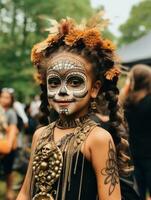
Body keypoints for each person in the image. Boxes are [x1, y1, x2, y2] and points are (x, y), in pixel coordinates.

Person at [17, 16, 133, 200]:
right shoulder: (40, 135)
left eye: (74, 82)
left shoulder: (98, 139)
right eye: (54, 82)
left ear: (94, 89)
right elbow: (25, 193)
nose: (62, 91)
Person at [121, 64, 151, 200]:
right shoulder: (148, 102)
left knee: (139, 194)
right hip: (147, 157)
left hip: (134, 157)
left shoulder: (127, 103)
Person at [0, 88, 18, 200]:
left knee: (8, 170)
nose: (4, 99)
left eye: (7, 97)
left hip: (8, 145)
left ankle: (9, 190)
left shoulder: (11, 113)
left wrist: (9, 145)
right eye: (2, 97)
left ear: (11, 100)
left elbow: (13, 129)